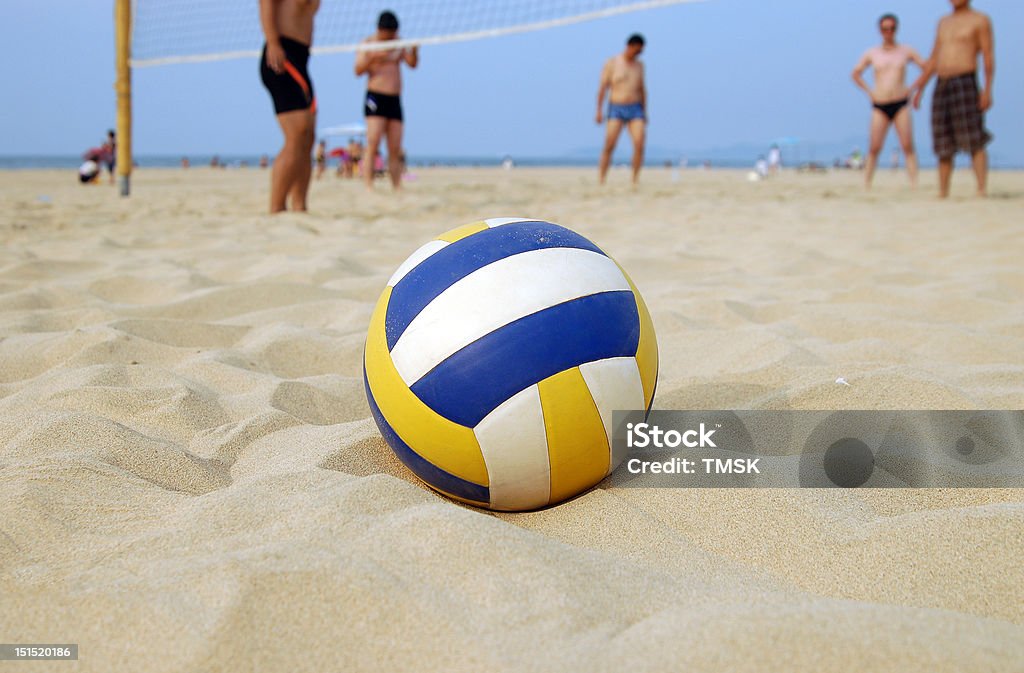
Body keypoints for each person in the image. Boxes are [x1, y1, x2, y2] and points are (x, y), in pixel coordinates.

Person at [911, 0, 994, 198]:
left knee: (973, 137)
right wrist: (920, 86)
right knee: (942, 140)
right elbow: (934, 57)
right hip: (942, 82)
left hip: (965, 80)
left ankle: (981, 189)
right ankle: (943, 191)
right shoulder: (944, 22)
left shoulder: (979, 20)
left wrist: (988, 89)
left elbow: (988, 57)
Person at [851, 13, 925, 189]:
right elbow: (855, 74)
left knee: (907, 145)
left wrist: (914, 89)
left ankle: (914, 183)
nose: (888, 32)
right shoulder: (872, 53)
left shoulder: (905, 51)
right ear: (880, 30)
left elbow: (926, 68)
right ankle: (866, 183)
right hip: (880, 104)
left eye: (891, 29)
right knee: (874, 147)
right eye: (885, 29)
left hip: (900, 102)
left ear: (896, 29)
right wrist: (870, 92)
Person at [259, 0, 320, 212]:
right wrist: (272, 42)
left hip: (301, 60)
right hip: (282, 55)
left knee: (308, 137)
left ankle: (299, 206)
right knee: (297, 135)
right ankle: (276, 208)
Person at [355, 10, 418, 190]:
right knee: (373, 141)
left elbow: (412, 64)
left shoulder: (398, 43)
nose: (391, 36)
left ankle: (396, 186)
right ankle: (368, 185)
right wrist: (375, 57)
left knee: (395, 147)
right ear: (380, 30)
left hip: (395, 99)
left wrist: (413, 51)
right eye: (388, 34)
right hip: (376, 97)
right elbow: (358, 70)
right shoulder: (368, 44)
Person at [596, 33, 647, 186]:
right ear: (630, 47)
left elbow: (642, 89)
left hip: (635, 108)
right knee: (609, 144)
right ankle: (602, 180)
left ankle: (635, 180)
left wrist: (645, 111)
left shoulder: (640, 66)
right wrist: (599, 110)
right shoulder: (612, 63)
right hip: (616, 107)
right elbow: (603, 88)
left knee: (639, 144)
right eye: (637, 50)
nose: (638, 54)